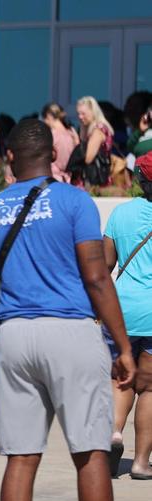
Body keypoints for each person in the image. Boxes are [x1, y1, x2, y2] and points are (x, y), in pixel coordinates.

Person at [0, 119, 148, 501]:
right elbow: (97, 277)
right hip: (71, 331)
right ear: (55, 158)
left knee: (21, 457)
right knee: (89, 453)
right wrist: (123, 346)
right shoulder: (74, 202)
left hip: (16, 335)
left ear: (9, 158)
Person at [103, 152, 152, 479]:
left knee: (120, 378)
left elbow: (105, 266)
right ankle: (140, 463)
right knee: (149, 387)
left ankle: (113, 434)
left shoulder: (120, 213)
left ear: (140, 180)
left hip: (121, 310)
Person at [70, 96, 115, 188]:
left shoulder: (98, 131)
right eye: (78, 114)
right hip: (97, 178)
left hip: (94, 181)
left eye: (83, 113)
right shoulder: (93, 129)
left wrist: (76, 142)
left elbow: (88, 158)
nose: (80, 117)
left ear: (93, 111)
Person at [42, 102, 80, 183]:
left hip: (54, 179)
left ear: (49, 116)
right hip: (69, 179)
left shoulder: (52, 135)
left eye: (44, 118)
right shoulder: (72, 132)